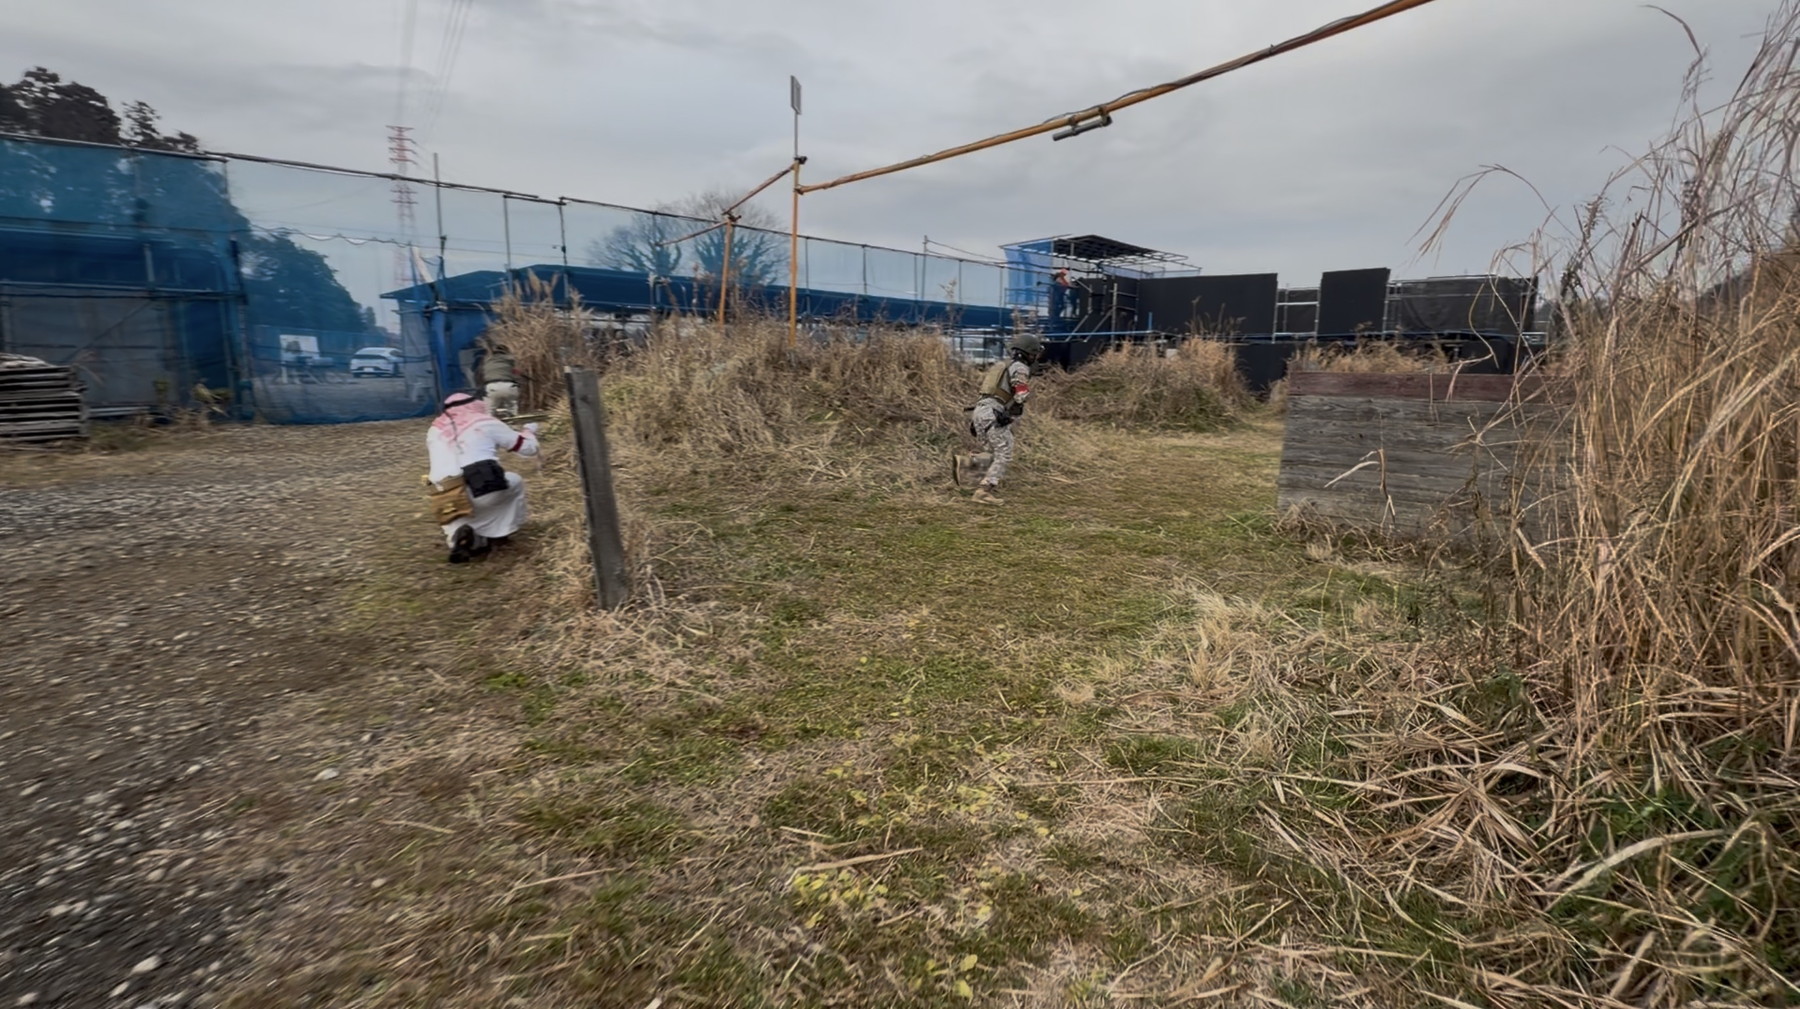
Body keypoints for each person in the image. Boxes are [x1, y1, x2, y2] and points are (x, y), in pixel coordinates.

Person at [425, 391, 540, 563]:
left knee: (458, 507)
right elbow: (529, 449)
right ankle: (499, 534)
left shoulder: (435, 429)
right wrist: (529, 431)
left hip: (444, 495)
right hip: (481, 488)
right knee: (514, 481)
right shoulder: (484, 422)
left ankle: (461, 537)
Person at [953, 332, 1044, 505]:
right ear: (1029, 353)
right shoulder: (1020, 367)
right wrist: (1021, 402)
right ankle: (984, 491)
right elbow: (1021, 393)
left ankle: (966, 476)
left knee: (990, 451)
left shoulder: (1002, 365)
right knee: (1004, 452)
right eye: (1035, 353)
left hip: (980, 411)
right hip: (993, 413)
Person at [478, 341, 520, 419]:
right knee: (512, 406)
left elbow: (482, 373)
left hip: (492, 386)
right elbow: (515, 372)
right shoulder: (510, 359)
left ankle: (489, 421)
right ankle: (513, 419)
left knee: (490, 410)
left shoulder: (487, 360)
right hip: (508, 386)